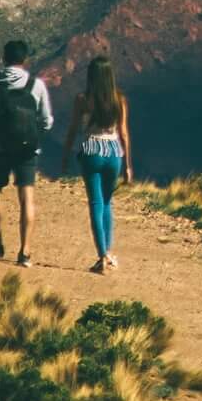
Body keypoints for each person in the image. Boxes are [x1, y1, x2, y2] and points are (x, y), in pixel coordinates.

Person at [0, 39, 53, 266]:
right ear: (25, 60)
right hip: (27, 150)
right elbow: (47, 120)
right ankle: (25, 252)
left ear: (3, 58)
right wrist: (34, 136)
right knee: (27, 199)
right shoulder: (36, 85)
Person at [62, 55, 134, 273]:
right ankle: (108, 253)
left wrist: (65, 156)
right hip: (114, 152)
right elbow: (123, 133)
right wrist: (128, 165)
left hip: (92, 150)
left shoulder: (83, 99)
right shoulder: (119, 99)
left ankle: (101, 255)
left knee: (95, 203)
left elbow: (74, 129)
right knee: (107, 202)